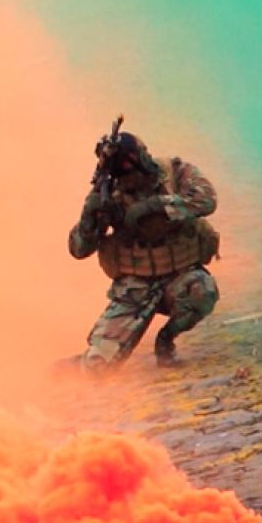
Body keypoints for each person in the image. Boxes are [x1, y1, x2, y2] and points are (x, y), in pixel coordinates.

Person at [69, 123, 220, 371]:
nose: (131, 180)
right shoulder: (110, 196)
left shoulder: (174, 173)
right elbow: (79, 250)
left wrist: (157, 206)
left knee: (202, 291)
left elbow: (207, 200)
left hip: (179, 277)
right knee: (97, 367)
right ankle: (71, 367)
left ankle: (165, 341)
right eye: (124, 175)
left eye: (133, 171)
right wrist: (88, 217)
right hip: (134, 289)